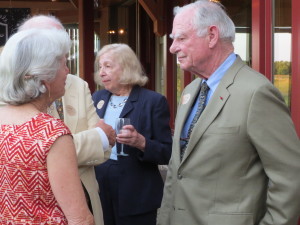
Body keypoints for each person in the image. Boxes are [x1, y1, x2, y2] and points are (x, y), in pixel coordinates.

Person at [157, 1, 300, 225]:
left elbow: (290, 178)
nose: (172, 47)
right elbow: (177, 171)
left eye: (181, 38)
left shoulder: (256, 93)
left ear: (212, 35)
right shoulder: (190, 91)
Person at [15, 15, 116, 225]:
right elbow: (29, 154)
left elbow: (104, 149)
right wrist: (94, 138)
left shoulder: (76, 84)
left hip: (84, 201)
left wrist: (97, 140)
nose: (64, 62)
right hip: (35, 210)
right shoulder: (9, 90)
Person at [0, 28, 94, 224]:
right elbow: (80, 219)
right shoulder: (51, 133)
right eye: (63, 64)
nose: (68, 71)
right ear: (44, 76)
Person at [92, 43, 172, 225]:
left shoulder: (153, 101)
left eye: (108, 66)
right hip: (100, 187)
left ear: (127, 67)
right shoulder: (97, 99)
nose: (102, 72)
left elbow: (167, 152)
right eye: (100, 67)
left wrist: (141, 142)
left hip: (136, 193)